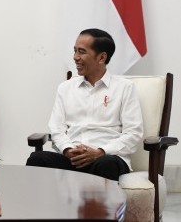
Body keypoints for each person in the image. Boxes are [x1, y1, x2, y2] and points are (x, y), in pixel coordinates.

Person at [26, 28, 143, 181]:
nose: (75, 57)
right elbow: (56, 128)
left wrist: (101, 151)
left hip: (106, 157)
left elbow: (133, 134)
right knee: (37, 159)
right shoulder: (65, 88)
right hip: (72, 159)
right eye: (75, 51)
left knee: (106, 164)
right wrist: (68, 149)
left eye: (81, 52)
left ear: (101, 57)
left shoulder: (125, 88)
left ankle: (99, 206)